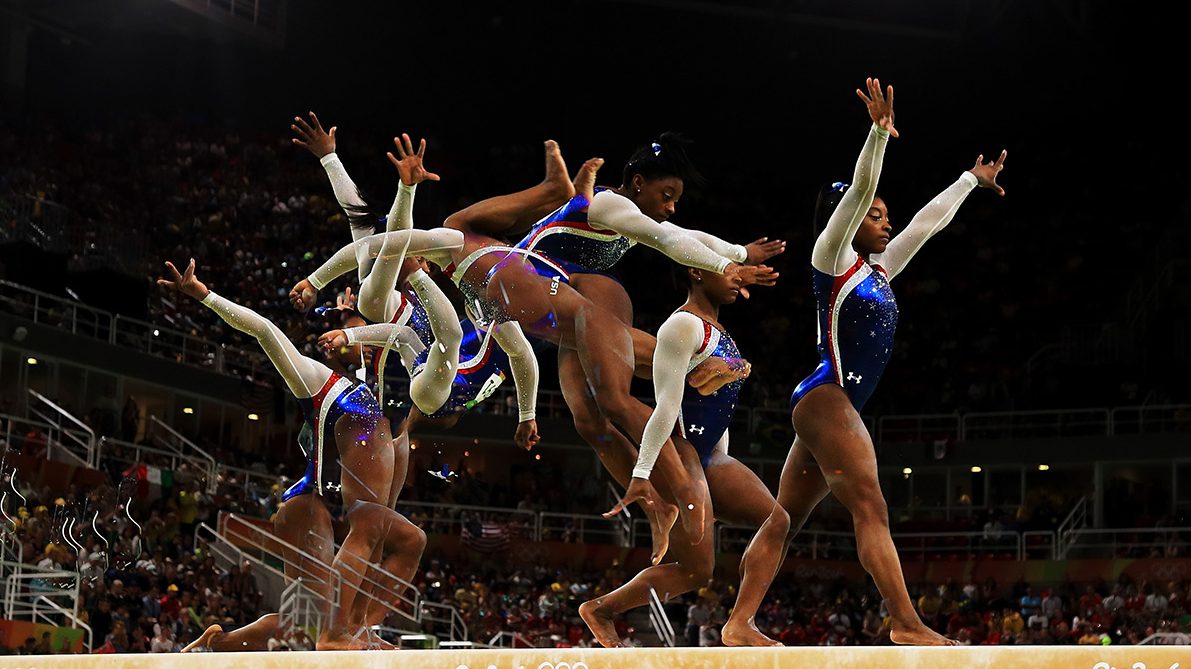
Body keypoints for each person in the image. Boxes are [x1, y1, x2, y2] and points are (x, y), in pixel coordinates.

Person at [754, 77, 1007, 646]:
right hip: (828, 397)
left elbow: (926, 222)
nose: (886, 221)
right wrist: (878, 135)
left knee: (784, 518)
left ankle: (737, 623)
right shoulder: (832, 257)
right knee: (870, 505)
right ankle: (905, 621)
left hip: (826, 404)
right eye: (876, 215)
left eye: (884, 215)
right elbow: (862, 186)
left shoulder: (880, 268)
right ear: (849, 219)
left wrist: (970, 179)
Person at [158, 260, 424, 650]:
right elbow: (264, 330)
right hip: (309, 506)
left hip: (343, 513)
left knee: (410, 541)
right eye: (354, 334)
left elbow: (404, 338)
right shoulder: (314, 377)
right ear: (330, 343)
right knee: (316, 622)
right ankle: (340, 635)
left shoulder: (375, 393)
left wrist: (356, 311)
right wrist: (204, 295)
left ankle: (224, 643)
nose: (365, 340)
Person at [581, 261, 787, 647]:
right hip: (679, 452)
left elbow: (715, 407)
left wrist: (722, 457)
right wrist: (644, 472)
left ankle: (741, 623)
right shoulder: (682, 326)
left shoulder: (718, 330)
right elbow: (665, 407)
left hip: (709, 454)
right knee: (697, 571)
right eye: (727, 271)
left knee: (777, 521)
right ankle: (602, 608)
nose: (736, 279)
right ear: (697, 272)